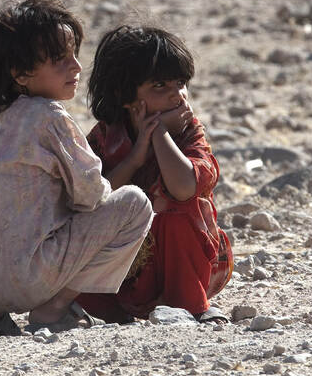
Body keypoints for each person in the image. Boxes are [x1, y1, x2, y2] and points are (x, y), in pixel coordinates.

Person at [0, 0, 154, 336]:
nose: (75, 67)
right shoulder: (50, 118)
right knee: (135, 204)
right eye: (60, 59)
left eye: (74, 55)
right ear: (20, 74)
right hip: (29, 280)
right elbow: (90, 194)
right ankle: (55, 306)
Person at [77, 25, 233, 324]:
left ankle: (188, 305)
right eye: (160, 86)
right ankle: (110, 310)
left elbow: (186, 187)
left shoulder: (189, 133)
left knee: (174, 208)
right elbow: (94, 196)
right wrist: (135, 159)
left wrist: (159, 133)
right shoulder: (105, 138)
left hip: (184, 267)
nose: (178, 95)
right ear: (126, 97)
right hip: (125, 269)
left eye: (181, 82)